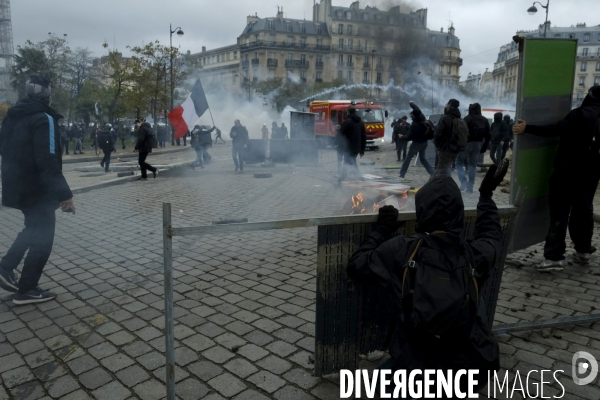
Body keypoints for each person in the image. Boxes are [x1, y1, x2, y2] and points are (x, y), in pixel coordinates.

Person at [347, 160, 508, 396]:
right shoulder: (475, 255)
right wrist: (486, 195)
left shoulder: (403, 250)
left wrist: (383, 228)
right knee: (476, 300)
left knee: (376, 385)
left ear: (422, 210)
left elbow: (357, 265)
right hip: (467, 370)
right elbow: (491, 233)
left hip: (415, 368)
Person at [0, 75, 76, 305]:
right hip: (38, 190)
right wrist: (65, 195)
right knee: (43, 238)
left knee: (32, 229)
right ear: (47, 94)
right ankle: (27, 290)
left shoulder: (11, 117)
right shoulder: (44, 118)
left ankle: (5, 267)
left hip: (16, 185)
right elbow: (48, 160)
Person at [512, 85, 600, 271]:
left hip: (567, 171)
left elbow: (555, 129)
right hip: (591, 173)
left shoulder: (580, 114)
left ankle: (554, 257)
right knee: (584, 210)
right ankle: (583, 251)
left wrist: (528, 128)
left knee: (559, 212)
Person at [458, 103, 491, 193]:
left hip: (467, 143)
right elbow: (488, 135)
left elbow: (461, 132)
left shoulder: (467, 118)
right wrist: (484, 147)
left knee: (459, 162)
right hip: (478, 144)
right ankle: (470, 188)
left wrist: (459, 145)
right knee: (472, 165)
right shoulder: (484, 120)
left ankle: (463, 181)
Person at [399, 102, 434, 179]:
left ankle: (402, 174)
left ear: (414, 116)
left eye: (412, 115)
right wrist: (411, 103)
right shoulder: (422, 117)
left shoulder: (415, 125)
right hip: (425, 143)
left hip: (417, 144)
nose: (411, 116)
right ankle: (432, 172)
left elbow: (409, 137)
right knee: (422, 158)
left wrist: (402, 136)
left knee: (408, 158)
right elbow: (416, 108)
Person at [337, 105, 366, 185]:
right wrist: (362, 149)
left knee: (349, 163)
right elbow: (364, 136)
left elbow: (341, 135)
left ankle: (361, 180)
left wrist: (339, 145)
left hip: (348, 147)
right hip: (357, 148)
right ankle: (340, 180)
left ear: (348, 112)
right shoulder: (360, 122)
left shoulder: (347, 122)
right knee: (350, 162)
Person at [434, 98, 465, 170]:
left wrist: (437, 144)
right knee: (447, 168)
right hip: (454, 147)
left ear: (449, 106)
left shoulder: (445, 118)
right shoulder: (459, 118)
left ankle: (439, 180)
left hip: (444, 147)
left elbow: (439, 133)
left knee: (440, 168)